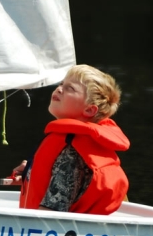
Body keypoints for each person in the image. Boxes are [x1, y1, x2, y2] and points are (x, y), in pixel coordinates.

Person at [10, 64, 130, 215]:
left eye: (70, 88)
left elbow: (51, 214)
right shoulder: (72, 143)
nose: (59, 89)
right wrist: (31, 173)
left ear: (89, 110)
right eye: (61, 84)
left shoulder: (72, 153)